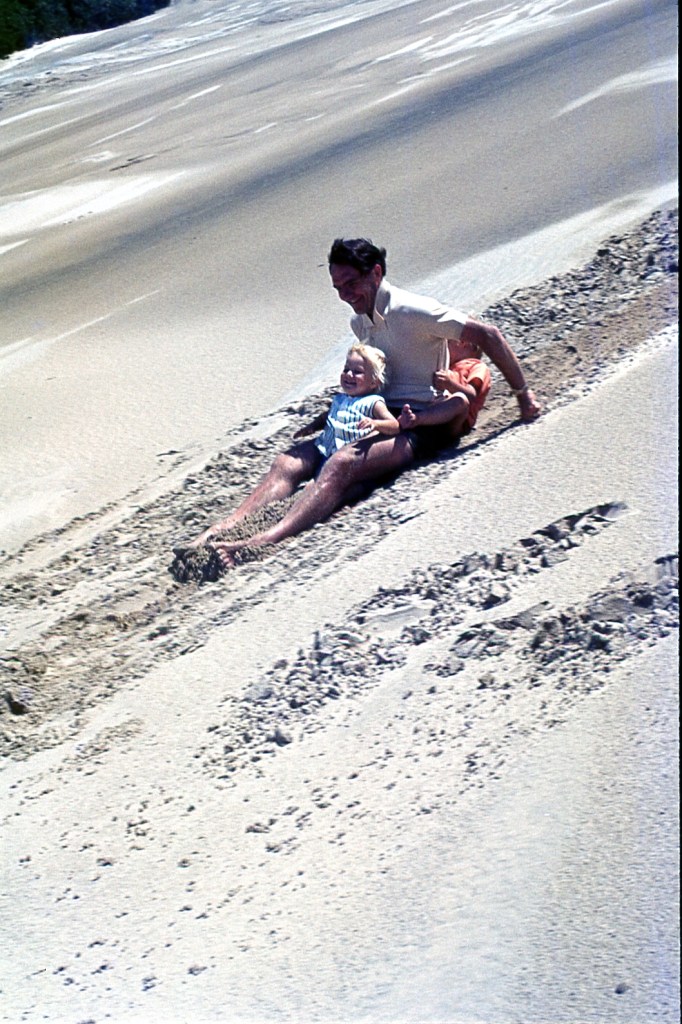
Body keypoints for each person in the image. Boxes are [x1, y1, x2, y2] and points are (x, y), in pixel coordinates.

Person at [182, 237, 541, 567]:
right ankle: (220, 530)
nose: (344, 294)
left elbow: (487, 334)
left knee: (340, 463)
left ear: (376, 273)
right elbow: (377, 377)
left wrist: (523, 396)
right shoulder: (361, 323)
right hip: (373, 415)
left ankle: (264, 539)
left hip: (422, 424)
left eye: (351, 284)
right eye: (338, 287)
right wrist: (326, 417)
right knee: (288, 461)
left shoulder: (412, 310)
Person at [179, 343, 399, 561]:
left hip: (349, 460)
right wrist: (313, 426)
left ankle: (267, 536)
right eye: (346, 369)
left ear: (373, 382)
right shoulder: (340, 399)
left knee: (323, 490)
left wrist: (375, 424)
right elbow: (330, 416)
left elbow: (394, 425)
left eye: (357, 372)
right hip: (326, 451)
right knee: (300, 474)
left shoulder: (373, 402)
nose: (349, 375)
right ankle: (219, 529)